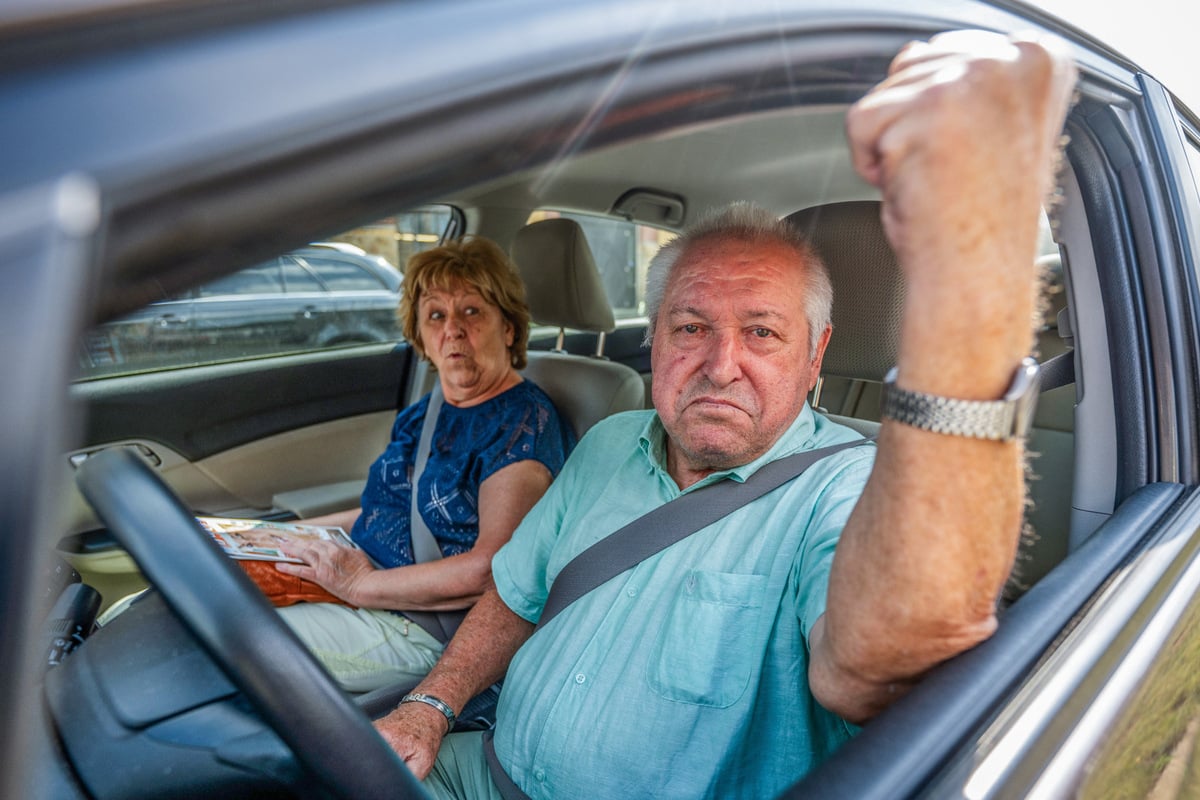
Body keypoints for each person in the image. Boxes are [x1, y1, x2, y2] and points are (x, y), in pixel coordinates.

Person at [372, 30, 1078, 798]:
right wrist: (428, 708)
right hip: (477, 772)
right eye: (691, 327)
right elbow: (514, 592)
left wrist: (968, 274)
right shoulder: (609, 440)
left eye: (763, 333)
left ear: (816, 355)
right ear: (655, 341)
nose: (719, 363)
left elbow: (873, 671)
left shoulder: (854, 490)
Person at [274, 235, 576, 692]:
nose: (452, 328)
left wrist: (360, 586)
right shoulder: (424, 414)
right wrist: (278, 534)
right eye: (436, 315)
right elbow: (382, 510)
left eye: (472, 311)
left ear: (509, 329)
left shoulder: (521, 422)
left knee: (226, 636)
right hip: (365, 595)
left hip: (426, 629)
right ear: (421, 338)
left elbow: (490, 569)